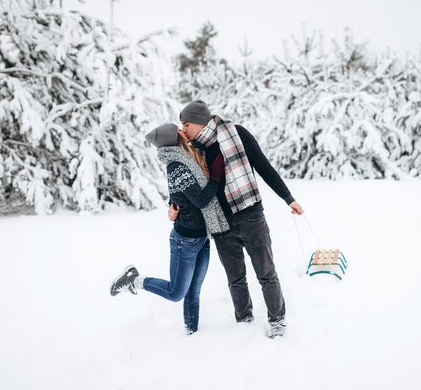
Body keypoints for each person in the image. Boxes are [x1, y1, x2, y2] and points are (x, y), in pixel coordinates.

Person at [172, 100, 304, 338]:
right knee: (235, 278)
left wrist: (288, 198)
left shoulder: (236, 134)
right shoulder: (194, 150)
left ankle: (277, 320)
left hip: (250, 215)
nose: (183, 129)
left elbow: (264, 166)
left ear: (200, 121)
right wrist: (172, 206)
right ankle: (243, 321)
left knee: (266, 273)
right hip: (221, 223)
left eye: (186, 123)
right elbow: (183, 185)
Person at [110, 123, 230, 335]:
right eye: (178, 129)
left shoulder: (188, 158)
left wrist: (172, 205)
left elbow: (178, 196)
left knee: (194, 291)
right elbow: (201, 200)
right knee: (176, 293)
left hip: (202, 237)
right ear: (174, 137)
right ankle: (134, 279)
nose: (184, 131)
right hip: (185, 240)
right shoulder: (176, 165)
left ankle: (190, 333)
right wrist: (217, 178)